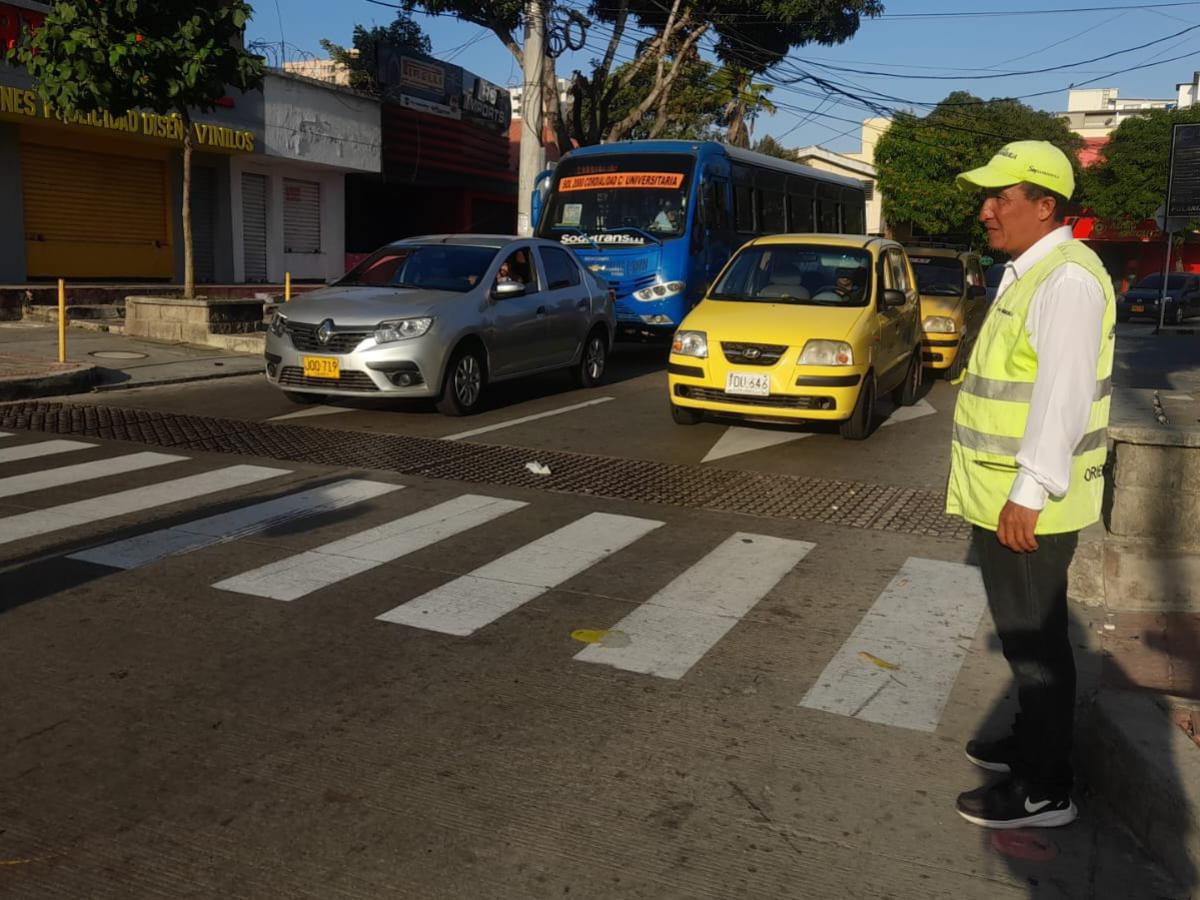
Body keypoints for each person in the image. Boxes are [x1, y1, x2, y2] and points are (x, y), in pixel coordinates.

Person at [947, 141, 1115, 829]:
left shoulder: (1066, 280)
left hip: (1028, 502)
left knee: (1035, 645)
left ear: (1045, 206)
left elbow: (1064, 394)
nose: (985, 210)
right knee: (1024, 639)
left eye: (1001, 198)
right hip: (1006, 493)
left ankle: (1046, 787)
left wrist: (1031, 488)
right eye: (985, 197)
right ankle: (1030, 744)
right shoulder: (1025, 271)